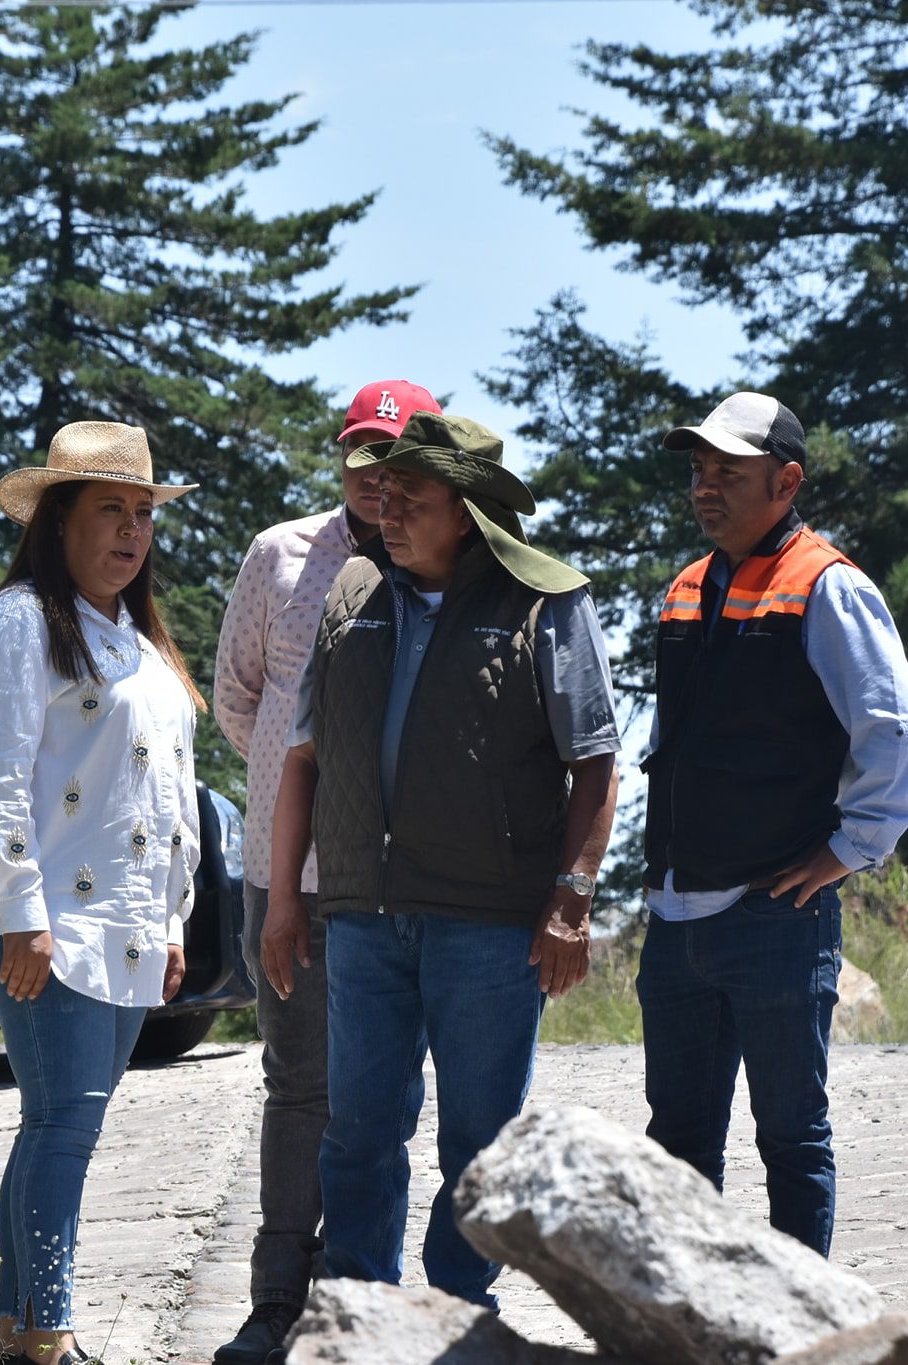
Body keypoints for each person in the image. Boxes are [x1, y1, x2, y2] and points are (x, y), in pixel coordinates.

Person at [260, 411, 619, 1307]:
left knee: (479, 1137)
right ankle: (360, 1314)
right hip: (361, 916)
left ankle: (461, 1314)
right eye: (384, 492)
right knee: (359, 1133)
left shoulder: (547, 602)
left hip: (489, 925)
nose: (388, 510)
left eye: (412, 497)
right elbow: (303, 756)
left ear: (467, 512)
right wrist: (282, 898)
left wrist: (571, 899)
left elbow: (597, 761)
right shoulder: (350, 592)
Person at [638, 392, 908, 1257]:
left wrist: (849, 851)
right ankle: (681, 1331)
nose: (705, 487)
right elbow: (668, 742)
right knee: (676, 1146)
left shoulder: (827, 585)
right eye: (699, 469)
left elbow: (896, 726)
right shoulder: (687, 587)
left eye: (729, 470)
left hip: (774, 913)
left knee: (789, 1137)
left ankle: (798, 1337)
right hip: (677, 916)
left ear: (786, 479)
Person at [0, 421, 204, 1365]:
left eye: (143, 514)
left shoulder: (134, 635)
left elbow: (168, 791)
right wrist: (19, 910)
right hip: (50, 923)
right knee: (64, 1121)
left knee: (59, 1121)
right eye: (111, 509)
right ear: (59, 518)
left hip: (130, 925)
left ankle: (20, 1337)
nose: (133, 531)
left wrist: (174, 917)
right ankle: (49, 1338)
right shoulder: (17, 621)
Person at [209, 379, 440, 1363]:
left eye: (392, 456)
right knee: (296, 1084)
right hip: (284, 873)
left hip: (397, 878)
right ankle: (273, 1307)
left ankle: (357, 1306)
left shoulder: (442, 564)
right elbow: (237, 694)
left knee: (383, 1095)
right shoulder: (279, 555)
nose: (372, 474)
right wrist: (280, 801)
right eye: (358, 452)